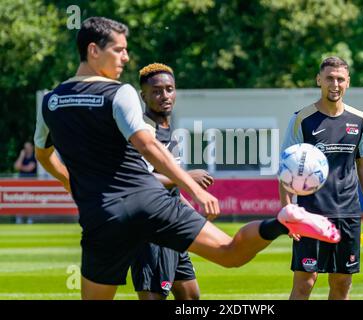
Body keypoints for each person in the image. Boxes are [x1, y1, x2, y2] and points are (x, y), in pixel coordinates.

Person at [34, 16, 340, 300]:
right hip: (149, 201)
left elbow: (43, 154)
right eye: (119, 50)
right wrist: (194, 189)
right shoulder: (119, 92)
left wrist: (70, 182)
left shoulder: (51, 101)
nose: (126, 58)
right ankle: (282, 222)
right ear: (93, 50)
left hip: (102, 215)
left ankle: (283, 222)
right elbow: (148, 146)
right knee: (231, 253)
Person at [279, 56, 363, 300]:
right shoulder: (301, 119)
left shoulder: (359, 120)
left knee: (342, 283)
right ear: (319, 80)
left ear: (348, 83)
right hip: (311, 213)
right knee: (305, 283)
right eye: (329, 79)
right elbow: (286, 169)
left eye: (340, 79)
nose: (335, 84)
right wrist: (288, 211)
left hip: (347, 213)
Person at [131, 62, 213, 300]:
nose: (164, 95)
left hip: (171, 225)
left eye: (169, 89)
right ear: (143, 95)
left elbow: (171, 189)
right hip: (150, 228)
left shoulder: (169, 130)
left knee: (190, 297)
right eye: (156, 91)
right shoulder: (142, 131)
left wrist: (191, 214)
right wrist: (187, 178)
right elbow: (137, 181)